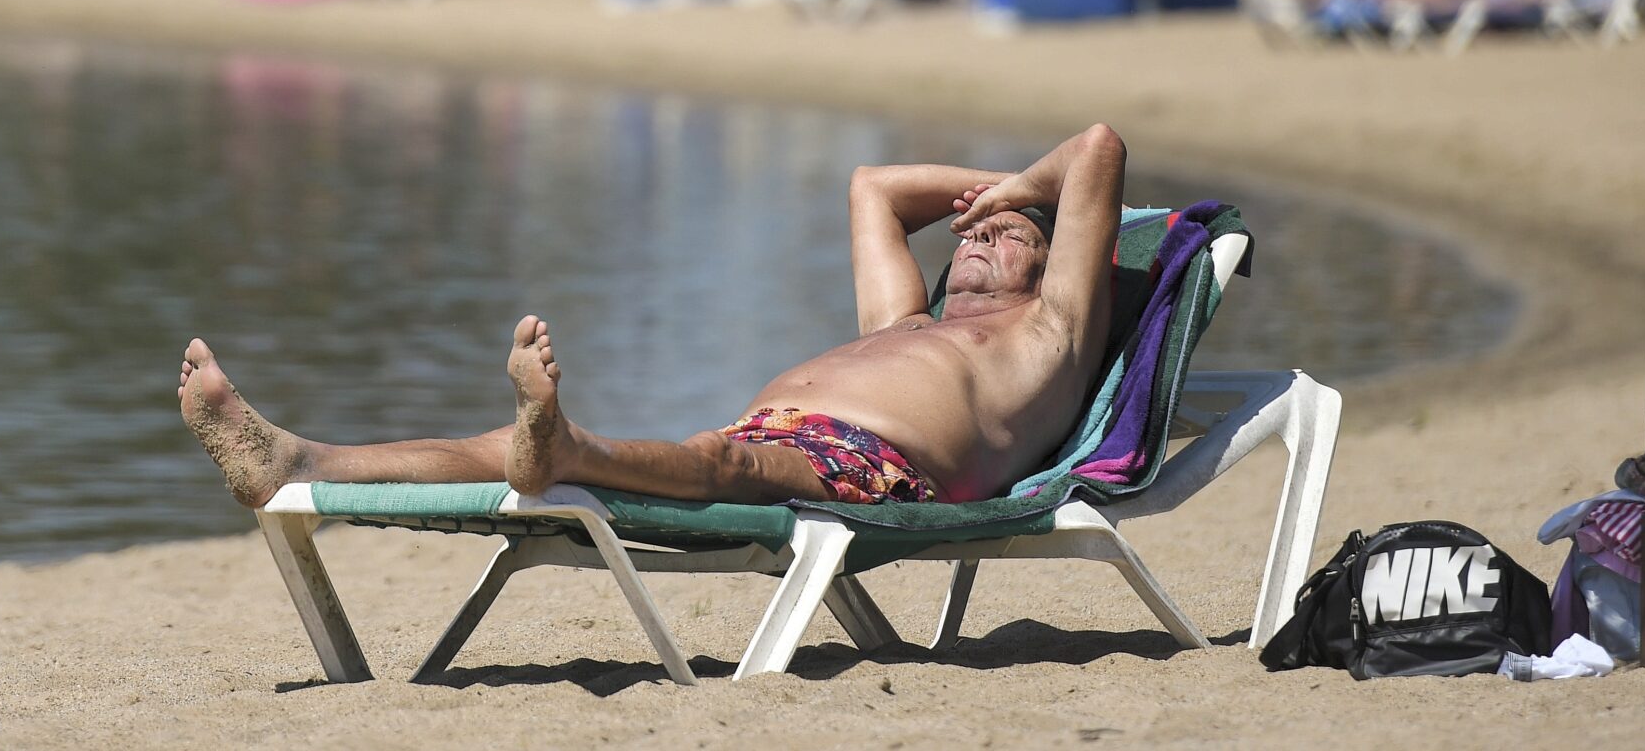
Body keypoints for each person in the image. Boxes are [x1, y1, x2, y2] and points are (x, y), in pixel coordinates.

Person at [178, 125, 1126, 509]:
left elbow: (1095, 149)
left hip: (876, 470)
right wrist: (999, 193)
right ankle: (301, 463)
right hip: (779, 437)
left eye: (1011, 234)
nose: (979, 234)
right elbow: (872, 187)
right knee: (505, 443)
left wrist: (1020, 185)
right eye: (973, 227)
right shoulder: (903, 322)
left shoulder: (1048, 335)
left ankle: (567, 453)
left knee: (705, 462)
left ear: (1052, 271)